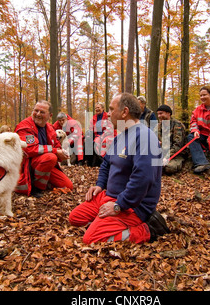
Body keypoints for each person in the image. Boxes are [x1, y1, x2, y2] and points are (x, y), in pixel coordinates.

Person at [69, 93, 170, 244]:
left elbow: (143, 179)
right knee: (75, 218)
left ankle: (148, 229)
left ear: (124, 112)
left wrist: (119, 205)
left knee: (91, 238)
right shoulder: (120, 137)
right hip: (110, 196)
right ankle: (107, 222)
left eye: (111, 109)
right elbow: (106, 164)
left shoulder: (145, 137)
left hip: (133, 205)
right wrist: (100, 184)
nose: (108, 114)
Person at [14, 100, 73, 197]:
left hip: (46, 165)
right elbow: (30, 149)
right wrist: (55, 151)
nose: (38, 114)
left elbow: (57, 144)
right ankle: (36, 187)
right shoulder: (25, 127)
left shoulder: (49, 127)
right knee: (50, 157)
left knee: (68, 186)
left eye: (42, 112)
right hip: (28, 165)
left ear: (50, 116)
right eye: (36, 110)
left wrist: (61, 152)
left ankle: (44, 181)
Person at [154, 104, 188, 175]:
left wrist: (166, 157)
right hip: (162, 153)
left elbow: (178, 145)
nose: (159, 116)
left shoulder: (177, 125)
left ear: (168, 113)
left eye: (161, 113)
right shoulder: (158, 126)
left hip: (176, 155)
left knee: (169, 168)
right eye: (158, 114)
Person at [85, 102, 117, 167]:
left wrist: (101, 137)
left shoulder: (107, 116)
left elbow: (109, 130)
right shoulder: (93, 118)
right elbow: (91, 129)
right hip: (97, 136)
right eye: (96, 108)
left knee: (102, 142)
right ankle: (92, 163)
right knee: (90, 142)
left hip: (108, 135)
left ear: (102, 108)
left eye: (98, 107)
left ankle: (104, 162)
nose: (97, 109)